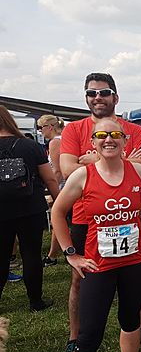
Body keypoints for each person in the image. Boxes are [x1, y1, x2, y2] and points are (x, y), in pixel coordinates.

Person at [56, 72, 141, 352]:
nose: (97, 98)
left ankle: (137, 329)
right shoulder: (74, 128)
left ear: (115, 97)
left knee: (132, 279)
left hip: (125, 219)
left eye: (104, 93)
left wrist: (92, 158)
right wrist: (70, 253)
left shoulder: (134, 129)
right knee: (81, 279)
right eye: (91, 93)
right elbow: (66, 168)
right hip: (86, 217)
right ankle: (76, 339)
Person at [0, 105, 59, 311]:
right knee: (31, 254)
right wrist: (58, 204)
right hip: (30, 206)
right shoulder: (29, 145)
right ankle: (36, 301)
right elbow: (50, 178)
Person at [37, 114, 65, 267]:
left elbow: (58, 170)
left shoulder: (55, 142)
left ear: (50, 127)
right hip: (64, 186)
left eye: (41, 128)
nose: (40, 131)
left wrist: (53, 192)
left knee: (57, 221)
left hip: (62, 187)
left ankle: (53, 256)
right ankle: (55, 254)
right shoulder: (60, 140)